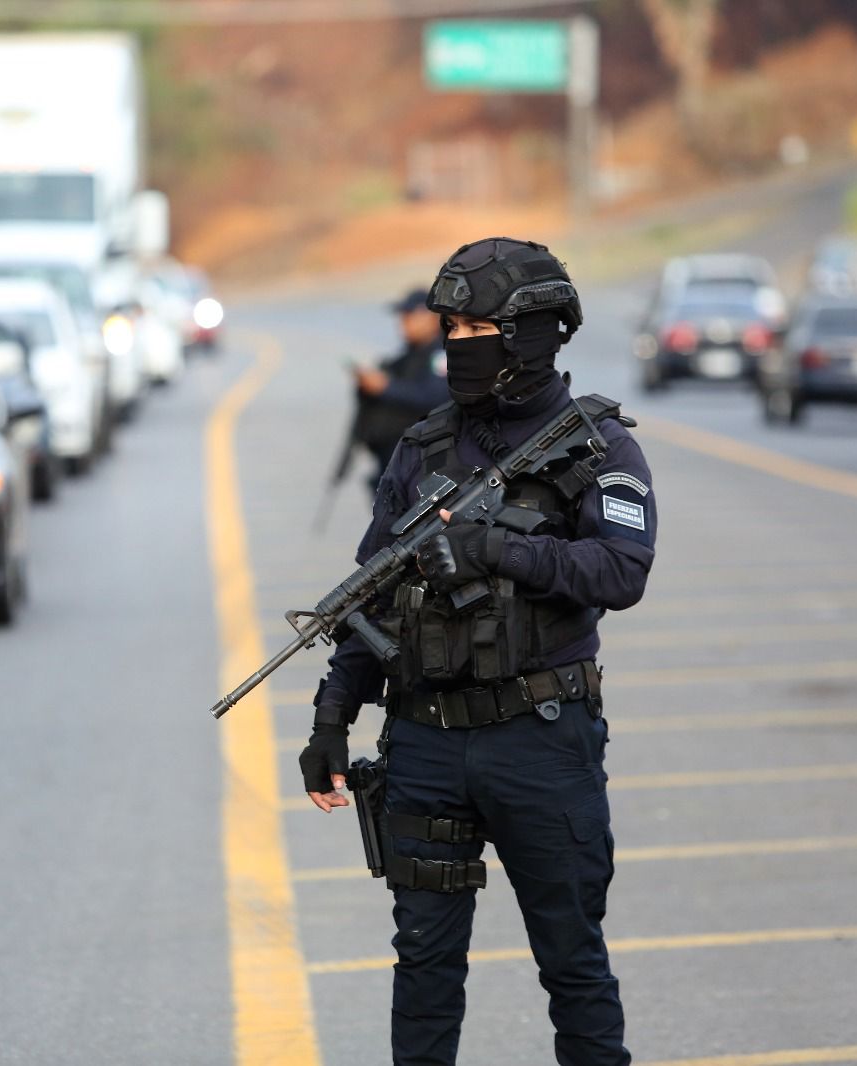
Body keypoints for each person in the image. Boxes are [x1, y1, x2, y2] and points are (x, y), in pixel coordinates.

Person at [299, 238, 657, 1066]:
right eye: (450, 327)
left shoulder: (596, 447)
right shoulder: (422, 448)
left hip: (540, 739)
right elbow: (371, 591)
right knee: (424, 969)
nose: (457, 343)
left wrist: (498, 548)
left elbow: (621, 570)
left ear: (532, 334)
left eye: (475, 327)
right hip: (424, 740)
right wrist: (331, 716)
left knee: (572, 965)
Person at [351, 288, 452, 491]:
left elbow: (434, 397)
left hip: (422, 460)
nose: (403, 323)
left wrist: (384, 386)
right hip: (394, 457)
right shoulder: (409, 353)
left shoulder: (441, 353)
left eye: (409, 316)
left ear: (431, 318)